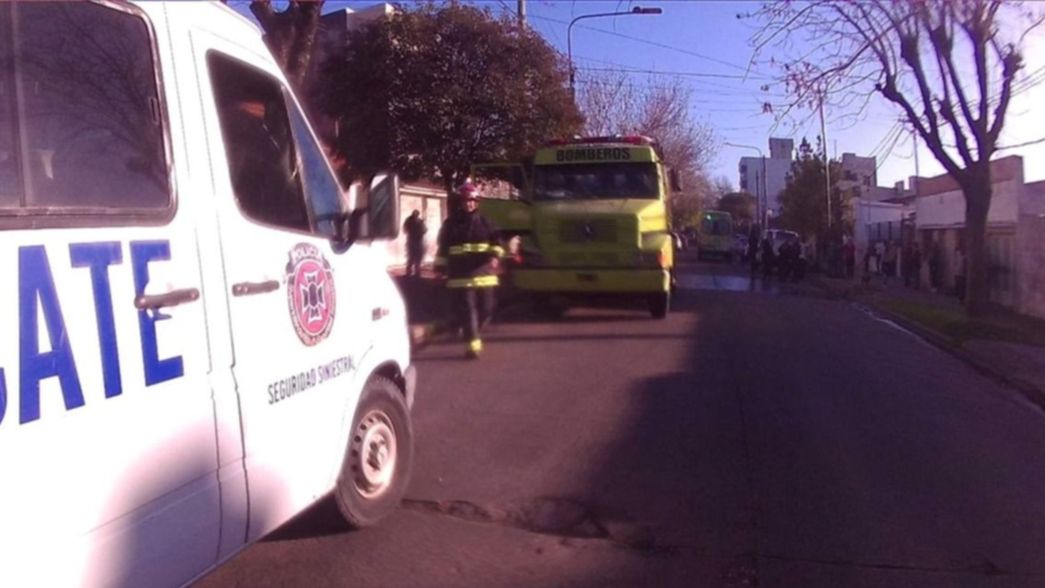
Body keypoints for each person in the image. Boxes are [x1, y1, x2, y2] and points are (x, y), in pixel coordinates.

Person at [435, 182, 504, 359]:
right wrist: (440, 266)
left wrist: (495, 256)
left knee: (487, 309)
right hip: (461, 275)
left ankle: (471, 331)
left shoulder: (486, 223)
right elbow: (443, 247)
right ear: (461, 202)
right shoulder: (450, 224)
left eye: (472, 201)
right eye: (466, 201)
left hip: (484, 274)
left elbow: (497, 242)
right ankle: (472, 344)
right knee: (469, 309)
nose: (469, 204)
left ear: (477, 202)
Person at [402, 210, 427, 278]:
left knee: (415, 257)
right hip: (413, 241)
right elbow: (405, 229)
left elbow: (424, 230)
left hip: (416, 241)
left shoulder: (418, 221)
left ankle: (415, 272)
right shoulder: (411, 221)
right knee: (412, 257)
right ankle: (412, 272)